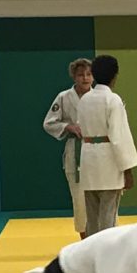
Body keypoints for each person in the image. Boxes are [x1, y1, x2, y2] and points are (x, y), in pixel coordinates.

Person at [73, 54, 137, 234]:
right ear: (114, 76)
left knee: (92, 217)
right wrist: (128, 169)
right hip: (108, 160)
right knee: (108, 216)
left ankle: (92, 248)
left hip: (88, 157)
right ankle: (106, 249)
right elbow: (119, 137)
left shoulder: (84, 99)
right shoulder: (113, 100)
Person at [44, 58, 94, 236]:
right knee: (79, 200)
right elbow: (49, 123)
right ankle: (84, 239)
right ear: (74, 77)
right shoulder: (64, 97)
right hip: (75, 151)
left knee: (99, 198)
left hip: (97, 149)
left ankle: (101, 239)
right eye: (81, 75)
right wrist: (68, 127)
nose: (85, 78)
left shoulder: (101, 97)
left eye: (89, 74)